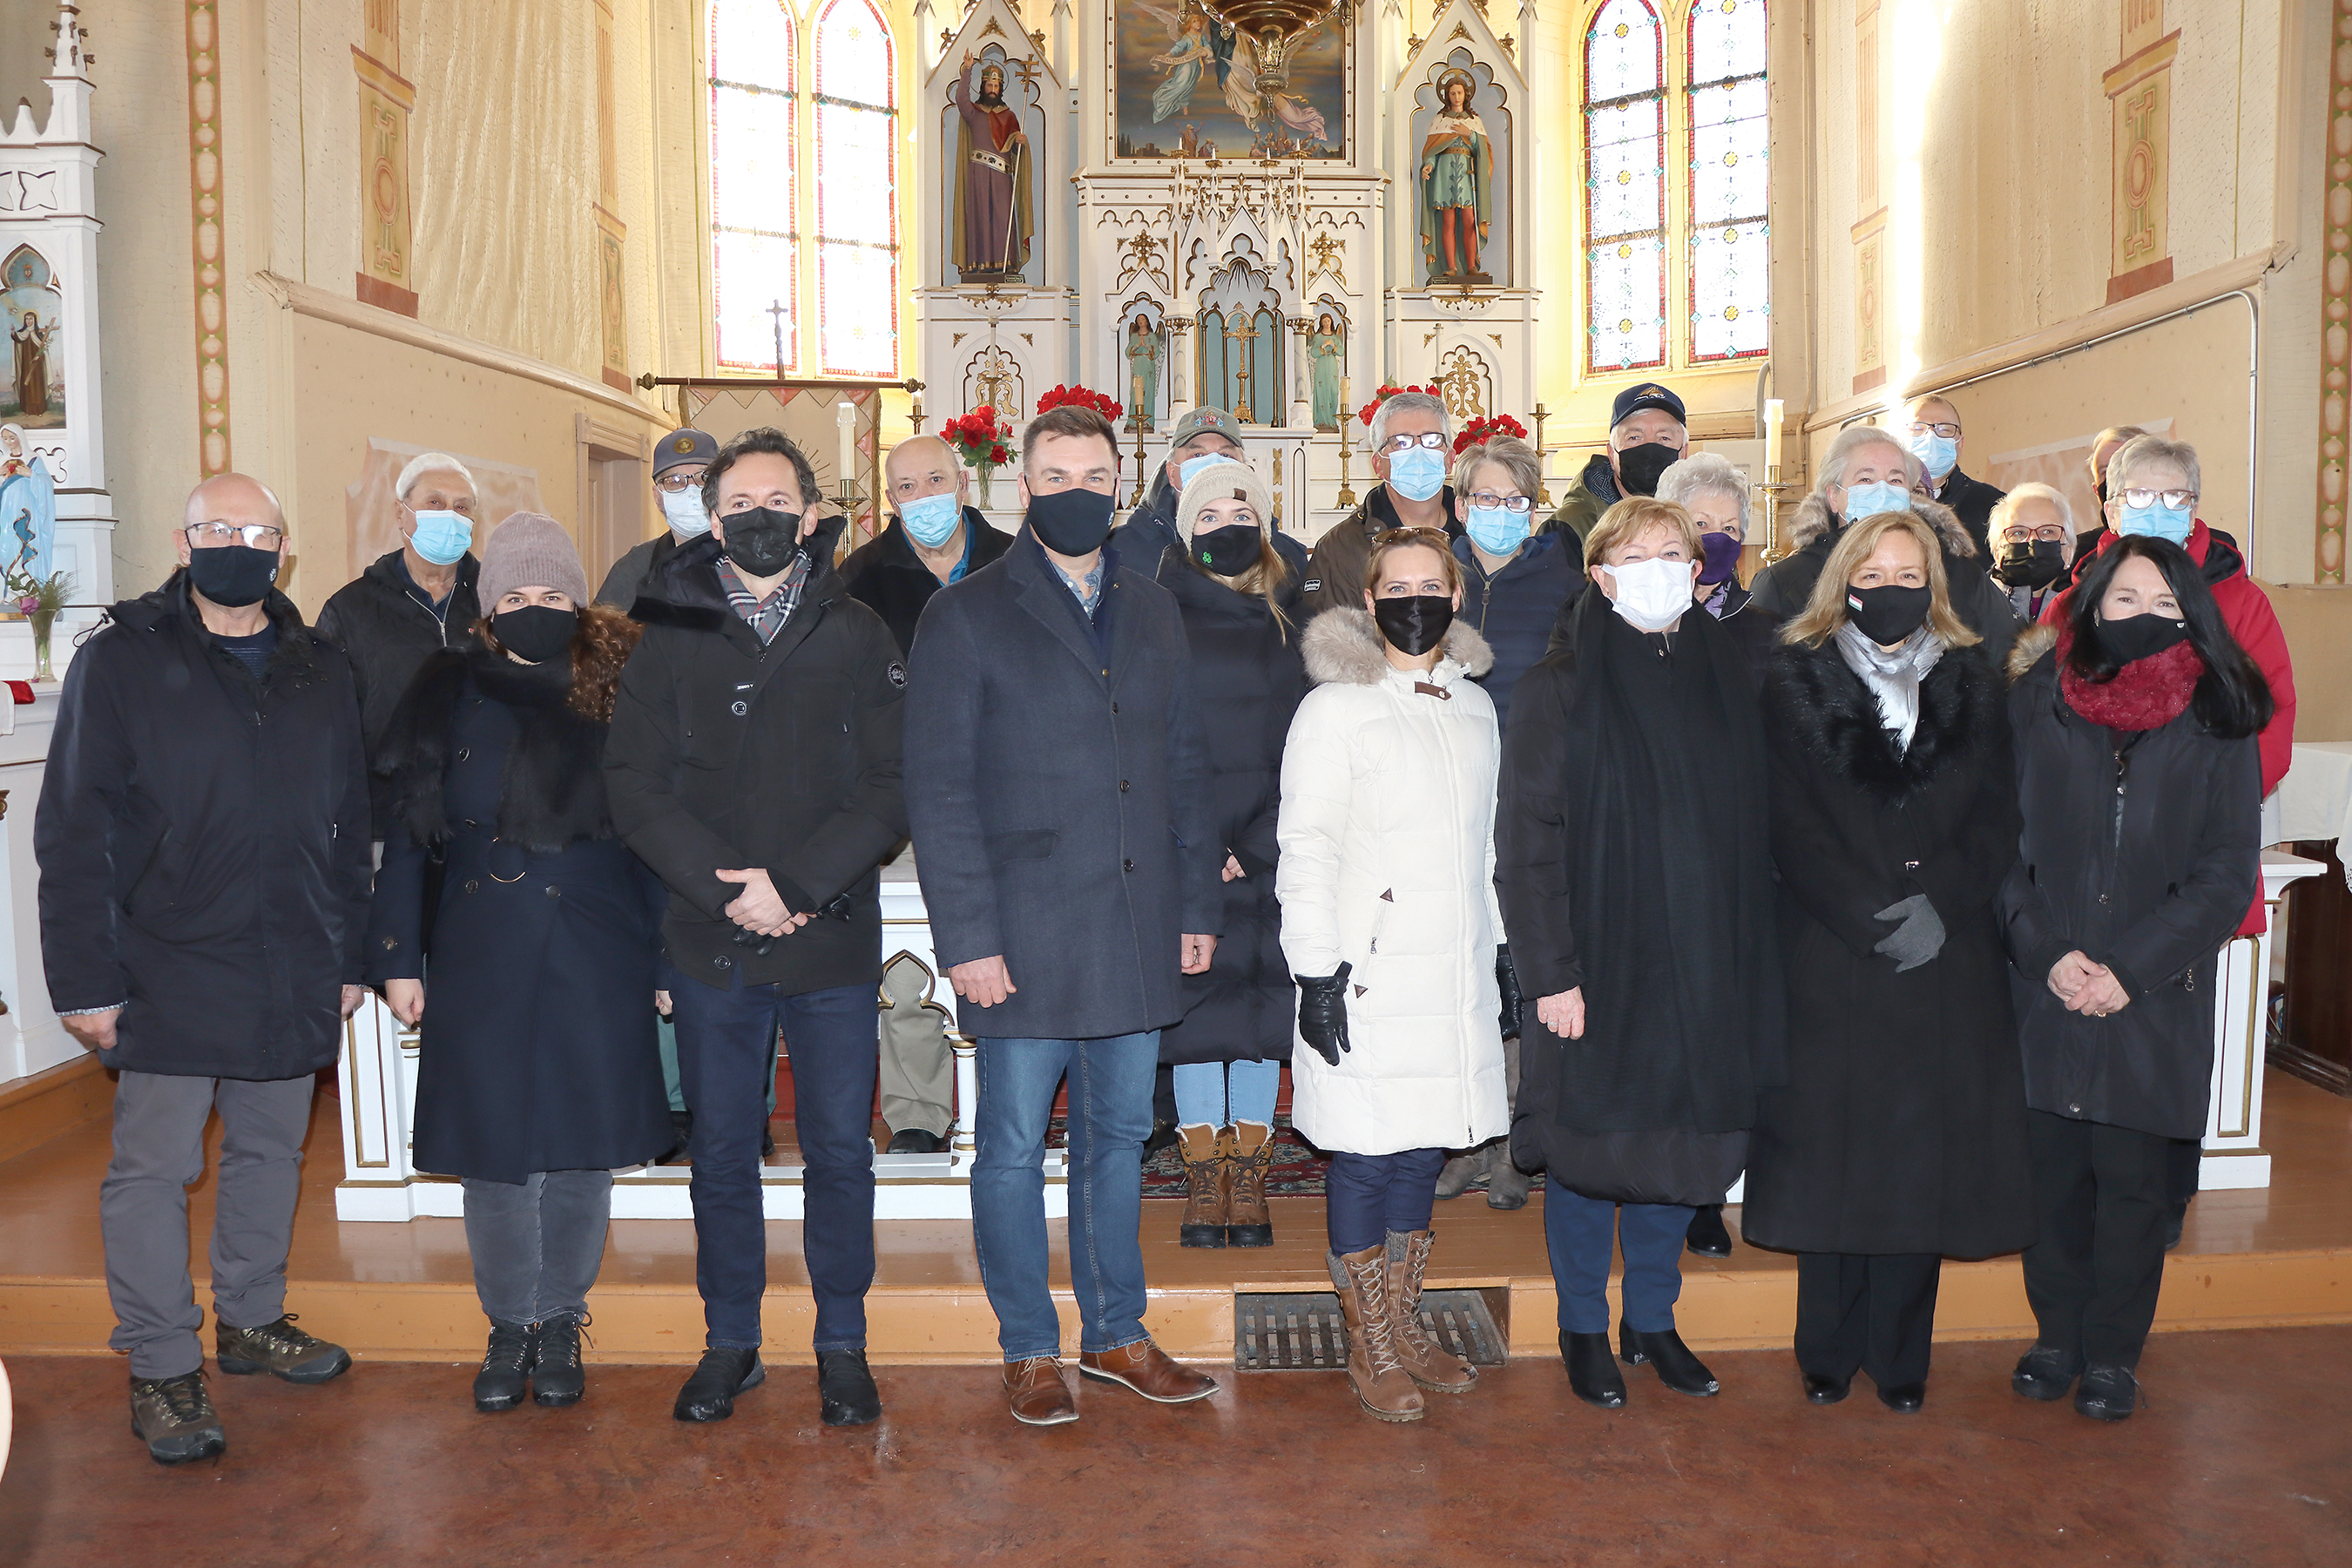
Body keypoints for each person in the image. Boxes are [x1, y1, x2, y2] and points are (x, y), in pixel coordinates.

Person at [37, 474, 372, 1465]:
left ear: (283, 550)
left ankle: (251, 1319)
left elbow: (353, 825)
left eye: (259, 530)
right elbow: (74, 828)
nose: (240, 544)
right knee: (155, 1169)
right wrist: (83, 979)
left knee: (272, 1152)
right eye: (218, 529)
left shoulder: (322, 666)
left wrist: (348, 952)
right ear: (184, 544)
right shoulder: (123, 661)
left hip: (292, 954)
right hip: (167, 958)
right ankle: (161, 1364)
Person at [905, 402, 1224, 1426]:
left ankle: (1117, 1335)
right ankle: (1028, 1348)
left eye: (1096, 477)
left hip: (1133, 921)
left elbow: (1183, 764)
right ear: (1023, 487)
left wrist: (1193, 905)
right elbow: (941, 791)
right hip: (1024, 936)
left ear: (1121, 484)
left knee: (1119, 1138)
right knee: (1008, 1146)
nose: (1077, 493)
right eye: (1057, 477)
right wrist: (970, 943)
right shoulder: (965, 613)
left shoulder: (1156, 606)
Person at [605, 427, 908, 1429]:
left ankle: (841, 1343)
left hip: (826, 936)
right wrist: (722, 887)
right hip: (711, 935)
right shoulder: (669, 633)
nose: (760, 518)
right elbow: (634, 787)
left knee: (839, 1152)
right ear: (711, 518)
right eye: (740, 504)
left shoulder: (859, 630)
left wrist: (799, 885)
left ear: (813, 517)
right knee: (724, 1151)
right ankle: (730, 1341)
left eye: (780, 501)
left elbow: (889, 786)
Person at [369, 515, 672, 1413]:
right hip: (478, 942)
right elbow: (408, 830)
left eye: (550, 595)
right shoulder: (443, 685)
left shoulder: (623, 683)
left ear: (577, 602)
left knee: (581, 1145)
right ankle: (509, 1323)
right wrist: (397, 956)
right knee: (495, 1149)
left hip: (598, 936)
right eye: (514, 596)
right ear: (487, 607)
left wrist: (664, 954)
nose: (533, 609)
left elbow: (654, 832)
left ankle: (560, 1316)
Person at [1738, 510, 2034, 1414]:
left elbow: (2000, 816)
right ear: (1843, 582)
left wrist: (1940, 902)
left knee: (1919, 1164)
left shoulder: (1979, 680)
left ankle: (1902, 1357)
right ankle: (1826, 1350)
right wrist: (1866, 916)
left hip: (1946, 957)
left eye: (1912, 573)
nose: (1894, 588)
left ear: (1934, 586)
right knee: (1833, 1157)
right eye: (1877, 573)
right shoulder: (1790, 678)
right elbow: (1784, 820)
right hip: (1833, 953)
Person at [1497, 497, 1782, 1411]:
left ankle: (1651, 1318)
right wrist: (1551, 975)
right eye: (1636, 554)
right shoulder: (1560, 684)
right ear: (1601, 574)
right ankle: (1582, 1322)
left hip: (1706, 953)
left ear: (1700, 570)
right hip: (1596, 958)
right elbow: (1528, 841)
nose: (1659, 567)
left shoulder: (1736, 671)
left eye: (1675, 552)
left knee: (1678, 1143)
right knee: (1592, 1145)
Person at [2002, 535, 2269, 1421]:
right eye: (2124, 602)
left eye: (2162, 603)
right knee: (2052, 1182)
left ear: (2191, 609)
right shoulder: (2037, 698)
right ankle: (2055, 1337)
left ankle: (2113, 1354)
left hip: (2153, 995)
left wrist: (2130, 969)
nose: (2142, 617)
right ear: (2091, 608)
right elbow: (1995, 847)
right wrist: (2044, 951)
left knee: (2130, 1186)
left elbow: (2227, 873)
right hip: (2046, 985)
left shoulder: (2222, 713)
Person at [2037, 433, 2296, 1248]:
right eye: (2136, 494)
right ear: (2108, 508)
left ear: (2195, 504)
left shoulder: (2240, 599)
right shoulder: (2073, 595)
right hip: (2075, 886)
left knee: (2155, 1086)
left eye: (2172, 495)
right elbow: (2040, 728)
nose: (2155, 507)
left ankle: (2156, 1215)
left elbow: (2269, 721)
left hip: (2178, 870)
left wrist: (2180, 803)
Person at [1281, 524, 1507, 1421]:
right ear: (1369, 601)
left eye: (1432, 587)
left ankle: (1405, 1321)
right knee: (1367, 1156)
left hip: (1452, 968)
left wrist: (1504, 947)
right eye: (1396, 587)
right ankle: (1368, 1341)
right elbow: (1305, 846)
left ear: (1456, 599)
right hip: (1366, 968)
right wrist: (1317, 971)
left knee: (1423, 1144)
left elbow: (1488, 848)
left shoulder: (1476, 706)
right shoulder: (1335, 709)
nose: (1415, 601)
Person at [836, 433, 1015, 1155]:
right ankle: (916, 1111)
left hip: (1009, 792)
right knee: (906, 962)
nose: (923, 498)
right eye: (907, 487)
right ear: (890, 500)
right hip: (902, 794)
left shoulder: (1015, 561)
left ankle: (1008, 1098)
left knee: (1006, 947)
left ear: (964, 485)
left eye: (935, 480)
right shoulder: (859, 579)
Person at [1155, 460, 1309, 1250]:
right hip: (1188, 844)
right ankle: (1201, 1173)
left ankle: (1246, 1174)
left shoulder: (1300, 613)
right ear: (1187, 533)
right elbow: (1146, 737)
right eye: (1208, 516)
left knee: (1256, 1010)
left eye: (1241, 509)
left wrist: (1253, 846)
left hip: (1271, 844)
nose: (1227, 525)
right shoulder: (1154, 612)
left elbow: (1312, 746)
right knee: (1197, 1011)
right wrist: (1197, 845)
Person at [1431, 435, 1579, 1214]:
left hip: (1529, 801)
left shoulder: (1563, 583)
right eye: (1484, 499)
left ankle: (1516, 1144)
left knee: (1522, 973)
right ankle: (1466, 1141)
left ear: (1533, 510)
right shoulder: (1433, 576)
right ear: (1460, 506)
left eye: (1514, 502)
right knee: (1462, 972)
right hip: (1447, 799)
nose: (1498, 513)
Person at [596, 426, 721, 1159]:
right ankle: (672, 1107)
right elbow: (600, 678)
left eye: (700, 478)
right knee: (665, 947)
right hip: (656, 790)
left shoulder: (762, 560)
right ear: (656, 491)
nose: (686, 493)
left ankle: (738, 1107)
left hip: (734, 788)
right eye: (673, 482)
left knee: (733, 949)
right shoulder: (631, 571)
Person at [1747, 425, 2021, 666]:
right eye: (1865, 479)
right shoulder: (1784, 582)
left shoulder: (1961, 575)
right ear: (1833, 496)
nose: (1883, 490)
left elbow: (2004, 662)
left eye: (1895, 480)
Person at [318, 451, 484, 835]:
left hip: (479, 820)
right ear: (400, 513)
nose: (450, 516)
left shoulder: (498, 601)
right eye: (435, 503)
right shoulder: (351, 609)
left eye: (462, 507)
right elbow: (328, 726)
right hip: (386, 822)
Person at [1303, 390, 1458, 618]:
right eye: (1401, 442)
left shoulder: (1477, 534)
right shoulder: (1340, 548)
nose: (1418, 452)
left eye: (1431, 440)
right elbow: (1333, 643)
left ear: (1449, 459)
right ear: (1378, 465)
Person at [1110, 404, 1257, 566]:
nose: (1212, 465)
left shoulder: (1275, 550)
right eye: (1198, 455)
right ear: (1172, 473)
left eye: (1225, 455)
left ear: (1243, 468)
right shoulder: (1121, 549)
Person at [1545, 383, 1689, 548]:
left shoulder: (1700, 523)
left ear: (1684, 453)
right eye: (1634, 437)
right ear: (1612, 454)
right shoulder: (1566, 530)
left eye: (1664, 438)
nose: (1649, 447)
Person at [598, 426, 718, 616]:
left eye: (704, 478)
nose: (692, 490)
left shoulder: (746, 559)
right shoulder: (635, 569)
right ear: (657, 497)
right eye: (675, 480)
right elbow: (601, 637)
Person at [1904, 395, 2006, 555]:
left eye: (1944, 429)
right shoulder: (1881, 501)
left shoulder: (1994, 506)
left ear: (1960, 444)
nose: (1931, 437)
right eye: (1917, 429)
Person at [1989, 483, 2076, 622]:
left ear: (2069, 553)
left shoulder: (2087, 618)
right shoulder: (1968, 610)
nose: (2033, 540)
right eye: (2018, 532)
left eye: (2048, 531)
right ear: (1998, 553)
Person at [2078, 423, 2149, 560]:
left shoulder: (2193, 544)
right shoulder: (2079, 555)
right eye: (2106, 471)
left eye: (2126, 466)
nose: (2116, 478)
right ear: (2096, 491)